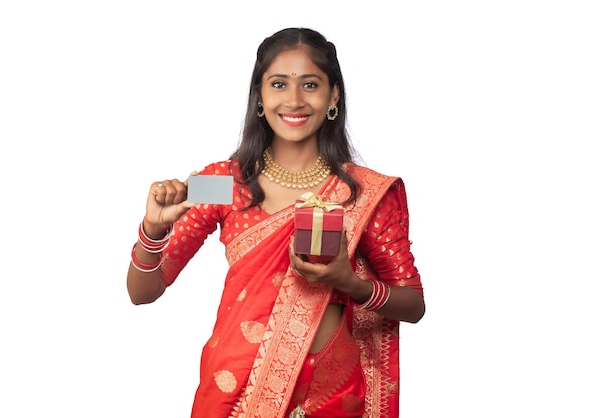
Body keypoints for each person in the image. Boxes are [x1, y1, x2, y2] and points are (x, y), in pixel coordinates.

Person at [127, 27, 425, 418]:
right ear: (260, 97)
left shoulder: (363, 193)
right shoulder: (221, 183)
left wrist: (348, 283)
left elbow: (414, 304)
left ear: (333, 95)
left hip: (331, 397)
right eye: (279, 84)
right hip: (234, 392)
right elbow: (143, 292)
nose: (295, 100)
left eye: (311, 85)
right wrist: (153, 230)